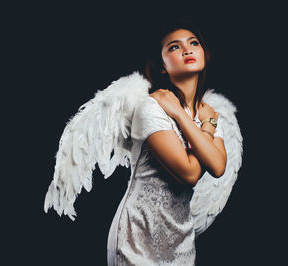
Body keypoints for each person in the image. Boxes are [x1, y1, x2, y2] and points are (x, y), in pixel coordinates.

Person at [106, 17, 227, 265]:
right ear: (162, 66)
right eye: (174, 46)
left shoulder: (209, 116)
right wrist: (194, 121)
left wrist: (190, 118)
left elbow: (217, 166)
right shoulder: (152, 107)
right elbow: (190, 173)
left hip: (181, 236)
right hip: (138, 235)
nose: (186, 49)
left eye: (193, 43)